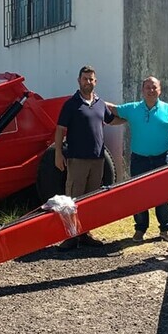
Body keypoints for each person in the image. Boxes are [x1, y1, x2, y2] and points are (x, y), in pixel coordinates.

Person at [111, 76, 168, 243]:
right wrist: (94, 100)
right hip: (139, 160)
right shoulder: (133, 108)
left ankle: (165, 229)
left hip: (162, 159)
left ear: (160, 90)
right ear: (142, 91)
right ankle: (140, 229)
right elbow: (113, 109)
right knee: (138, 195)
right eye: (148, 88)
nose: (151, 90)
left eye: (154, 87)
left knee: (163, 194)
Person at [54, 65, 117, 250]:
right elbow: (59, 130)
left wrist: (133, 119)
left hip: (97, 161)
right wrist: (58, 154)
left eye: (91, 79)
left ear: (95, 82)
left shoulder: (100, 103)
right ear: (79, 81)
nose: (88, 82)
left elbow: (112, 120)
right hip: (77, 161)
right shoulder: (71, 104)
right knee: (73, 199)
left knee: (91, 200)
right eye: (85, 79)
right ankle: (71, 236)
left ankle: (86, 234)